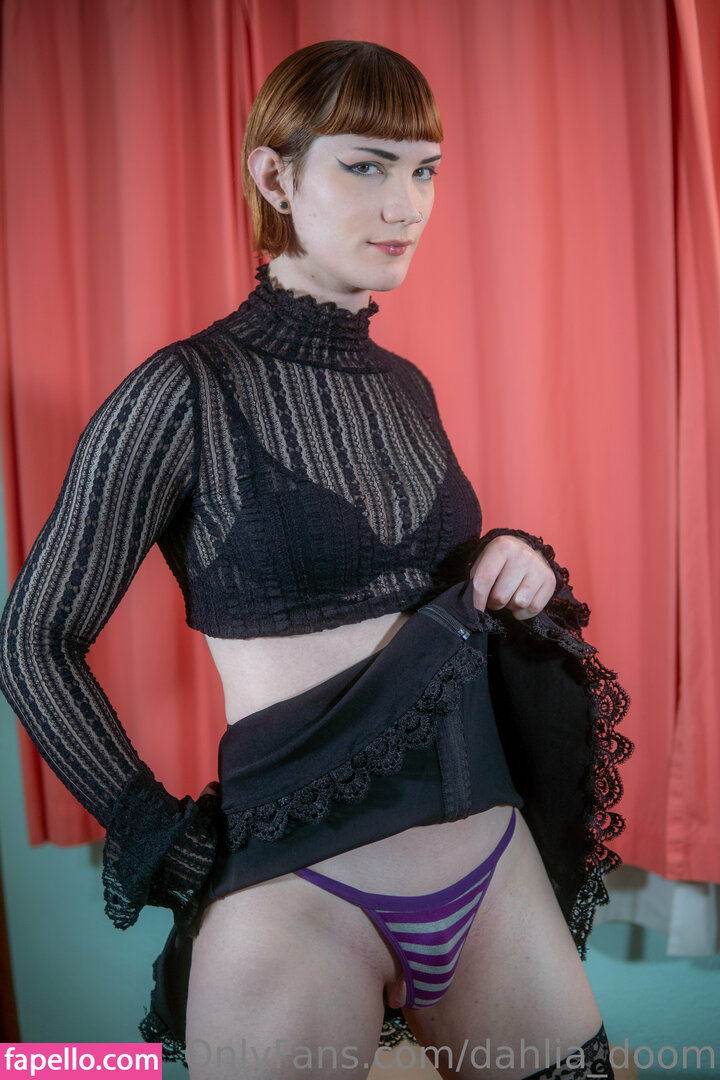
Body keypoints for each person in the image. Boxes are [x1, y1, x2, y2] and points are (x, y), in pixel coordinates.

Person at [0, 39, 631, 1080]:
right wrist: (154, 828)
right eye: (367, 165)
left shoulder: (408, 387)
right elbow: (33, 638)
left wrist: (507, 557)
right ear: (276, 175)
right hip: (301, 901)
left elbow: (422, 589)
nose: (406, 205)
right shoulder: (182, 390)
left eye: (425, 170)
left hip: (489, 866)